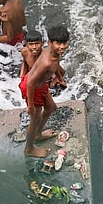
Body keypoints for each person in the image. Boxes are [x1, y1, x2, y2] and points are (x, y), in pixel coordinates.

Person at [19, 25, 69, 157]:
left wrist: (59, 78)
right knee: (35, 118)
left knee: (51, 107)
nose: (62, 47)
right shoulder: (47, 62)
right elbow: (30, 83)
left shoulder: (54, 52)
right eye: (58, 43)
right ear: (50, 43)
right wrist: (30, 106)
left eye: (64, 43)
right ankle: (29, 149)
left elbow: (56, 66)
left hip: (40, 85)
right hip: (32, 87)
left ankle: (38, 134)